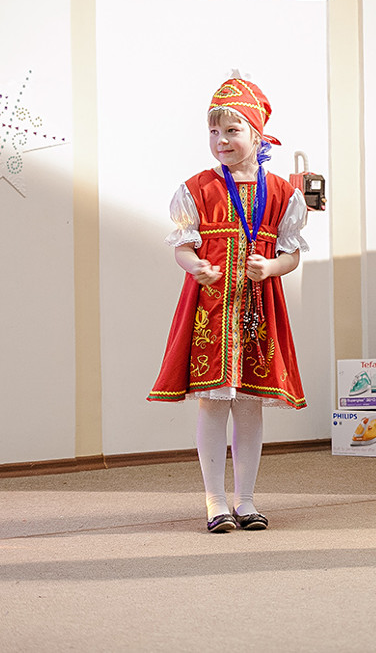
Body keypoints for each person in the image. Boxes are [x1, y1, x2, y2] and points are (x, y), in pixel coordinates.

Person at [148, 76, 310, 533]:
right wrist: (194, 265)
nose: (221, 140)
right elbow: (183, 246)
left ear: (256, 135)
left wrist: (272, 268)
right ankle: (215, 501)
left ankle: (246, 500)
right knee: (213, 405)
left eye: (232, 131)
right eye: (214, 131)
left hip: (257, 311)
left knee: (250, 407)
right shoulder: (196, 189)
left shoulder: (282, 194)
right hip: (211, 312)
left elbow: (291, 254)